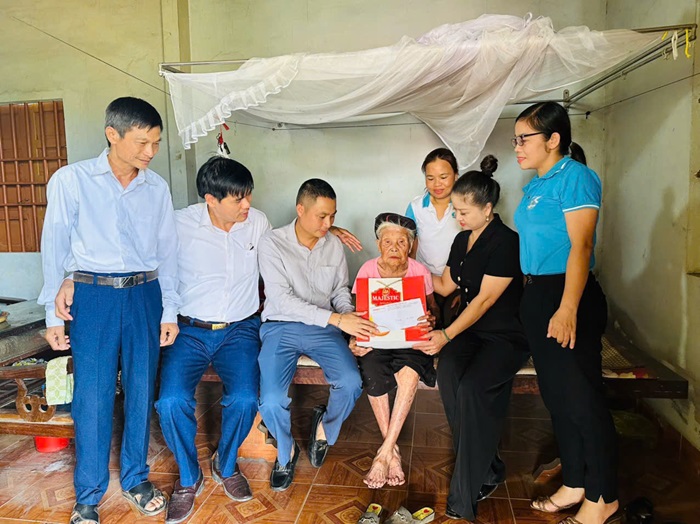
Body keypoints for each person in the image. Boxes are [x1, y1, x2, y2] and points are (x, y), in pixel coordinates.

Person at [38, 97, 179, 524]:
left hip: (144, 294)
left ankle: (136, 477)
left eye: (156, 143)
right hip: (92, 296)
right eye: (142, 142)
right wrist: (52, 316)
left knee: (141, 389)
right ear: (112, 134)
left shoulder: (156, 188)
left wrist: (169, 309)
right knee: (92, 396)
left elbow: (168, 253)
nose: (150, 152)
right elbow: (54, 248)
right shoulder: (72, 180)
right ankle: (88, 493)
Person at [512, 101, 617, 524]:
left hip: (568, 294)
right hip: (538, 293)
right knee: (557, 397)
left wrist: (568, 307)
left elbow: (582, 245)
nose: (517, 146)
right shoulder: (535, 186)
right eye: (515, 139)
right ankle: (575, 482)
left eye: (524, 138)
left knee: (582, 398)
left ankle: (603, 495)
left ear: (553, 139)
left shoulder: (575, 177)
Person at [154, 156, 271, 523]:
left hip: (240, 329)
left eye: (248, 195)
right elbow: (157, 269)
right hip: (188, 329)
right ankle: (189, 477)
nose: (247, 204)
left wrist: (325, 231)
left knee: (246, 397)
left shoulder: (257, 223)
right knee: (170, 401)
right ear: (210, 199)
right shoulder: (178, 224)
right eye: (238, 199)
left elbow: (285, 251)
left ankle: (227, 462)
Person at [414, 155, 529, 521]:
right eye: (456, 211)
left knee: (474, 389)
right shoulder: (462, 240)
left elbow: (484, 301)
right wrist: (406, 265)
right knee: (448, 372)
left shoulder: (507, 242)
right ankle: (490, 466)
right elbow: (445, 285)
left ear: (488, 208)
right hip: (472, 331)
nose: (458, 217)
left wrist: (445, 334)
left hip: (505, 336)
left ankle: (463, 498)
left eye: (464, 211)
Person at [257, 178, 378, 492]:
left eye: (333, 216)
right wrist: (338, 319)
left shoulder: (333, 244)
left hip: (324, 329)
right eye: (322, 216)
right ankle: (286, 452)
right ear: (300, 209)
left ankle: (323, 429)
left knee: (351, 382)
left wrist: (350, 319)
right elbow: (282, 300)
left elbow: (339, 290)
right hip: (281, 326)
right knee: (270, 400)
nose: (328, 224)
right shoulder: (272, 243)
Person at [348, 212, 438, 490]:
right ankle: (392, 453)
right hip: (378, 341)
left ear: (410, 246)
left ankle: (385, 452)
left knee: (409, 373)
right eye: (388, 242)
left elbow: (432, 309)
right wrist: (355, 338)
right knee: (372, 372)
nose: (394, 248)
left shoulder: (419, 271)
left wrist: (431, 319)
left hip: (411, 342)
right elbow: (357, 313)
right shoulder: (367, 270)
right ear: (379, 244)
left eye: (401, 242)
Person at [405, 148, 462, 325]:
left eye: (443, 177)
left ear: (456, 175)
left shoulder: (464, 206)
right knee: (424, 325)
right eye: (430, 178)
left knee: (453, 324)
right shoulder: (415, 207)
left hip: (457, 283)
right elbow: (409, 247)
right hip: (425, 281)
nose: (437, 184)